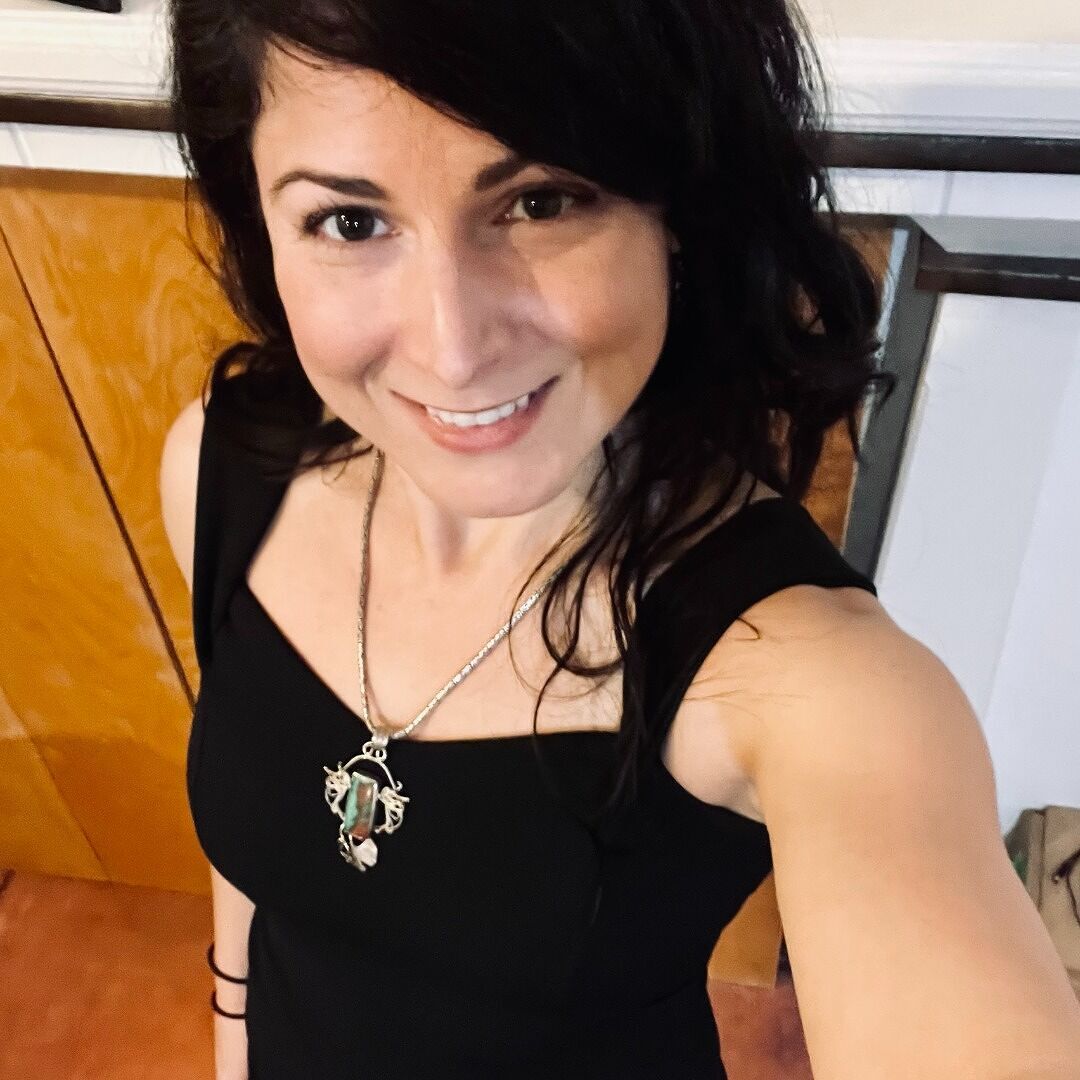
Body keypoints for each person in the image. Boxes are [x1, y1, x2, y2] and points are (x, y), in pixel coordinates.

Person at [158, 1, 1080, 1078]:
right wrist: (234, 1036)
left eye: (540, 202)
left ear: (676, 204)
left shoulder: (810, 681)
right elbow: (263, 869)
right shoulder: (225, 467)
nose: (454, 348)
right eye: (351, 223)